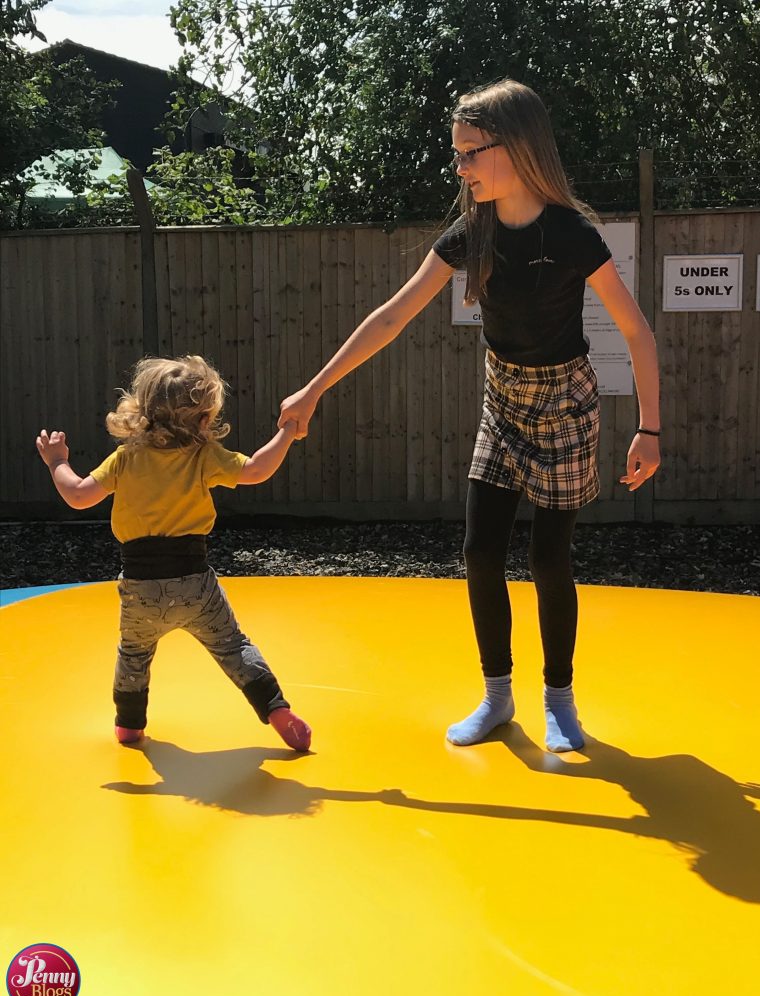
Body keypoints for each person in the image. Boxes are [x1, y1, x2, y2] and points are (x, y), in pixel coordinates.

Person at [278, 79, 660, 752]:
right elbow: (393, 314)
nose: (458, 168)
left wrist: (650, 429)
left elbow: (636, 332)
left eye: (467, 153)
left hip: (567, 405)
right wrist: (314, 389)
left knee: (549, 560)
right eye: (454, 154)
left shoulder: (572, 234)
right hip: (503, 404)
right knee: (480, 552)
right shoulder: (472, 232)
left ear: (511, 148)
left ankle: (561, 702)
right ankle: (496, 698)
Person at [36, 354, 311, 751]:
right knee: (234, 647)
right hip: (195, 583)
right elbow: (255, 470)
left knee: (133, 654)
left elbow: (78, 496)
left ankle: (129, 725)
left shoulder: (127, 458)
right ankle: (275, 709)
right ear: (203, 419)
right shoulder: (203, 456)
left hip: (140, 587)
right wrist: (286, 434)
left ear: (143, 411)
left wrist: (57, 462)